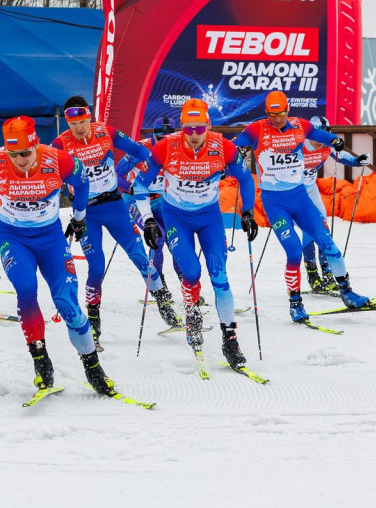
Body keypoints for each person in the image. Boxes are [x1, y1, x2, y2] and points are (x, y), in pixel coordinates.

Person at [0, 116, 118, 396]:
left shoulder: (57, 160)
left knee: (66, 303)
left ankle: (93, 366)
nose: (20, 160)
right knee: (26, 290)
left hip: (51, 238)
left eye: (25, 153)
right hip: (14, 238)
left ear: (36, 145)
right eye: (14, 154)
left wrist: (80, 216)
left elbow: (82, 181)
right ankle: (41, 361)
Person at [135, 99, 258, 367]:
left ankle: (230, 339)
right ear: (181, 127)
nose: (193, 135)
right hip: (176, 216)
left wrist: (247, 212)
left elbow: (246, 178)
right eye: (188, 129)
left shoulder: (222, 146)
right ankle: (192, 313)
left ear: (208, 126)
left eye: (199, 128)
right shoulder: (165, 146)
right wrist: (148, 221)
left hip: (209, 217)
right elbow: (139, 185)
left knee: (219, 274)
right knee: (190, 273)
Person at [50, 96, 178, 350]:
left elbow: (142, 152)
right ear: (67, 122)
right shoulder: (59, 144)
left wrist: (148, 171)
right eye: (73, 123)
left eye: (83, 121)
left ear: (90, 118)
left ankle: (166, 307)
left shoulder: (106, 132)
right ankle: (94, 322)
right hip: (87, 214)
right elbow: (48, 182)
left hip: (116, 207)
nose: (79, 128)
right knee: (96, 269)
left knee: (141, 257)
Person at [233, 91, 371, 323]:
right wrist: (222, 154)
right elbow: (233, 145)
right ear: (266, 113)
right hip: (275, 201)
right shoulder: (257, 129)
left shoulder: (301, 125)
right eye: (271, 115)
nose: (277, 119)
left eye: (280, 114)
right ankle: (295, 303)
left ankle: (347, 292)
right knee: (294, 252)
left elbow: (321, 136)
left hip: (300, 196)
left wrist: (335, 141)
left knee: (326, 241)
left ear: (288, 110)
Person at [116, 117, 184, 297]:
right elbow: (116, 174)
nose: (164, 142)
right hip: (137, 200)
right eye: (160, 138)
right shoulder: (140, 149)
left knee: (176, 240)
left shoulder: (178, 146)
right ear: (154, 135)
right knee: (158, 237)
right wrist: (130, 188)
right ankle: (159, 288)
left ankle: (187, 288)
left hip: (162, 200)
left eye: (168, 137)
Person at [301, 115, 367, 294]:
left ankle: (328, 273)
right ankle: (313, 274)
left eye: (324, 137)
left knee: (323, 227)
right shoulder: (298, 144)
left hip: (311, 188)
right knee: (308, 229)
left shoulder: (326, 145)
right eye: (316, 137)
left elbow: (341, 155)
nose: (320, 142)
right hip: (294, 192)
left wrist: (356, 161)